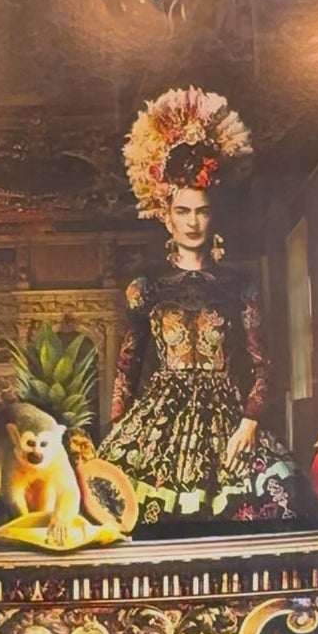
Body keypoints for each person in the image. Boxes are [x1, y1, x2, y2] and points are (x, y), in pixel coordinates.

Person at [104, 84, 295, 525]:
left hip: (225, 414)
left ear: (213, 215)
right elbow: (127, 367)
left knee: (266, 497)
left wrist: (249, 421)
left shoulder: (239, 286)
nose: (193, 222)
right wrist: (119, 428)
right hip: (159, 416)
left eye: (202, 211)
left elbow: (264, 365)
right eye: (183, 211)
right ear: (167, 217)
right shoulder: (146, 288)